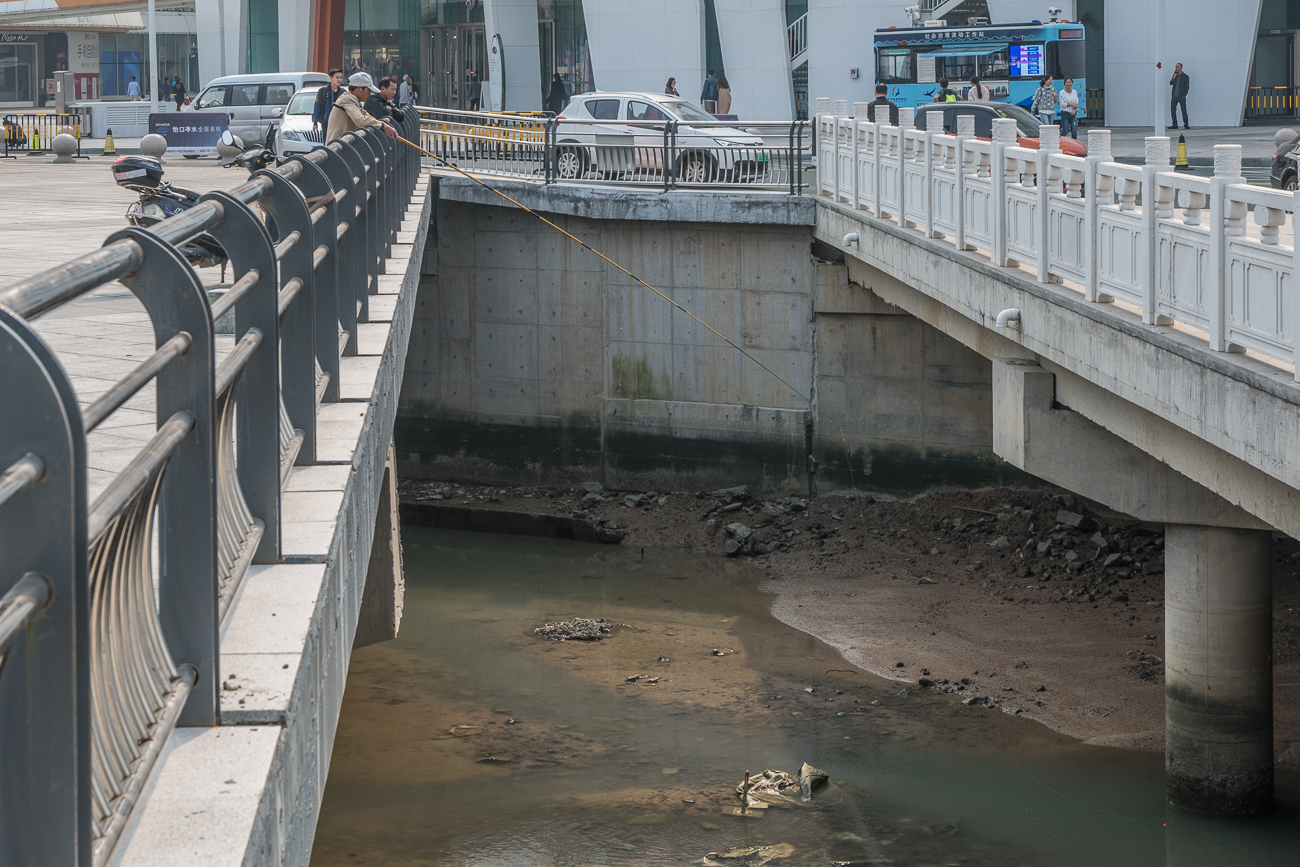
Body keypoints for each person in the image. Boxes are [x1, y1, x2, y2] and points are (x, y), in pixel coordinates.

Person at [327, 72, 399, 143]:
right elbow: (360, 119)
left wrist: (384, 126)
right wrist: (383, 126)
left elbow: (367, 116)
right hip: (336, 148)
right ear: (359, 88)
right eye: (368, 91)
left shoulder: (355, 101)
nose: (370, 94)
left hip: (344, 146)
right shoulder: (347, 99)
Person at [313, 69, 345, 134]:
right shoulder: (323, 91)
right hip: (326, 122)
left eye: (341, 78)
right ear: (331, 78)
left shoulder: (343, 92)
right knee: (327, 143)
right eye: (337, 77)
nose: (339, 80)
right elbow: (317, 107)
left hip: (340, 123)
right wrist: (315, 123)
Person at [1170, 62, 1190, 130]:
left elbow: (1187, 87)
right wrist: (1174, 77)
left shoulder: (1185, 77)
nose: (1177, 68)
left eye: (1178, 67)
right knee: (1173, 110)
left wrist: (1184, 94)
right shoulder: (1175, 76)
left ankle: (1186, 124)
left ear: (1182, 67)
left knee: (1183, 110)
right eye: (1176, 67)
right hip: (1174, 96)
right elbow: (1171, 83)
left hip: (1181, 96)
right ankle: (1174, 124)